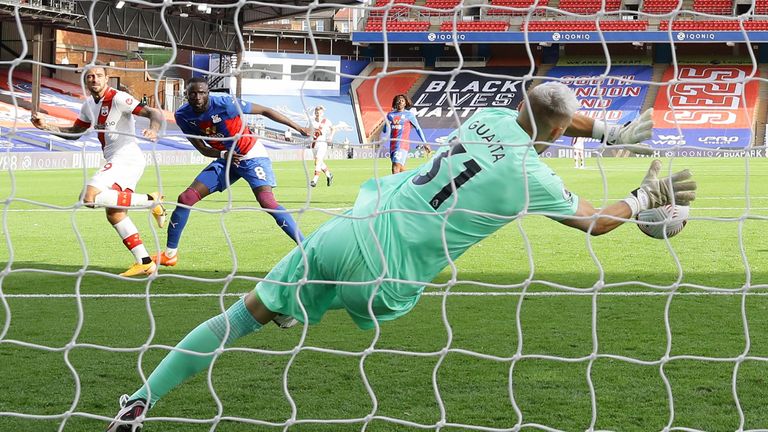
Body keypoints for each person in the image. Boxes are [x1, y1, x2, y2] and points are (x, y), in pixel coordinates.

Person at [105, 82, 696, 431]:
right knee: (376, 292)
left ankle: (139, 402)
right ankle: (304, 306)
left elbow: (545, 113)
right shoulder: (530, 174)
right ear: (558, 129)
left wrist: (601, 131)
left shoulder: (486, 116)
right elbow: (595, 223)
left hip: (349, 228)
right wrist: (644, 194)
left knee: (238, 319)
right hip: (387, 278)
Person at [152, 77, 311, 267]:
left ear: (208, 93)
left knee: (267, 201)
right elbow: (202, 148)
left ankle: (305, 246)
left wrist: (298, 128)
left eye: (202, 92)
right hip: (225, 159)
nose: (197, 97)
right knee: (186, 198)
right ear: (186, 95)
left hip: (250, 155)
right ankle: (170, 255)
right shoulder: (183, 116)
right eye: (192, 93)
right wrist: (222, 153)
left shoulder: (226, 103)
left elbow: (266, 110)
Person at [31, 64, 167, 277]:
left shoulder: (118, 98)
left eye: (98, 76)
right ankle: (145, 261)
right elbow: (76, 131)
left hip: (127, 157)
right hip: (116, 159)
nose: (94, 79)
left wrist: (153, 129)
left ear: (106, 79)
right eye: (90, 76)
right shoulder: (88, 106)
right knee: (115, 213)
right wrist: (46, 126)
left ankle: (152, 201)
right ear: (85, 81)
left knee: (89, 197)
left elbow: (154, 113)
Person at [386, 94, 428, 174]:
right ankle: (413, 180)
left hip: (402, 144)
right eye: (398, 100)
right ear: (395, 102)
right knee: (401, 169)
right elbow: (387, 123)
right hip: (393, 145)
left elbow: (418, 128)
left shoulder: (409, 115)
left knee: (395, 167)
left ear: (405, 103)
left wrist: (425, 142)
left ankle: (395, 186)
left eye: (402, 101)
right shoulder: (390, 114)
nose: (399, 102)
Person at [308, 105, 338, 187]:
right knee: (318, 162)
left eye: (320, 112)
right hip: (314, 144)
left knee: (318, 160)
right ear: (315, 113)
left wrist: (331, 136)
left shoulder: (326, 121)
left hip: (322, 143)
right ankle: (329, 175)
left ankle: (314, 180)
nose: (318, 113)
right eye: (317, 112)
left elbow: (333, 128)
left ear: (322, 113)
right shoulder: (312, 122)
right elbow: (308, 131)